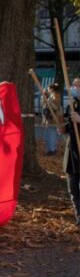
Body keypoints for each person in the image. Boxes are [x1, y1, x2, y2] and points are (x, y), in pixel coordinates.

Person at [60, 92, 80, 226]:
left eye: (78, 85)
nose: (75, 87)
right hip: (73, 150)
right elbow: (68, 128)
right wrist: (62, 127)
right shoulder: (74, 104)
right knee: (73, 186)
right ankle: (79, 216)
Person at [42, 83, 62, 156]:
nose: (47, 89)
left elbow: (56, 106)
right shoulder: (49, 96)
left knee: (52, 134)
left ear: (52, 89)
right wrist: (45, 97)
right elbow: (43, 104)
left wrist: (48, 101)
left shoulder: (56, 95)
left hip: (53, 118)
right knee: (47, 134)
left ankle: (52, 150)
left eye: (48, 88)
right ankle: (49, 149)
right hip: (48, 118)